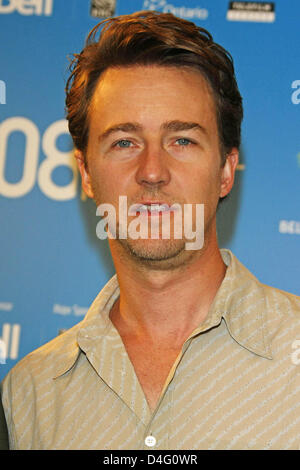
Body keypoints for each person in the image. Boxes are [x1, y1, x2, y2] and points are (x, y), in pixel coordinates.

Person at [1, 11, 300, 450]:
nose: (152, 171)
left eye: (182, 140)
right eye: (124, 141)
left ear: (225, 169)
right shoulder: (27, 396)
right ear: (85, 172)